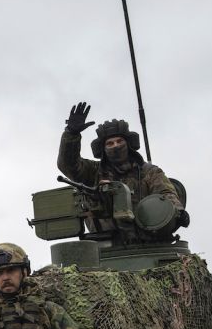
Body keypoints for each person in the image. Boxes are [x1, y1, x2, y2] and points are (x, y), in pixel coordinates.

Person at [57, 101, 186, 238]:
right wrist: (71, 134)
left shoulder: (149, 172)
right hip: (105, 248)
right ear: (102, 149)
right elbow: (68, 165)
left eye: (119, 141)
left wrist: (178, 211)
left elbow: (165, 194)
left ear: (128, 143)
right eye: (110, 143)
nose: (116, 146)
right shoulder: (93, 172)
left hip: (148, 242)